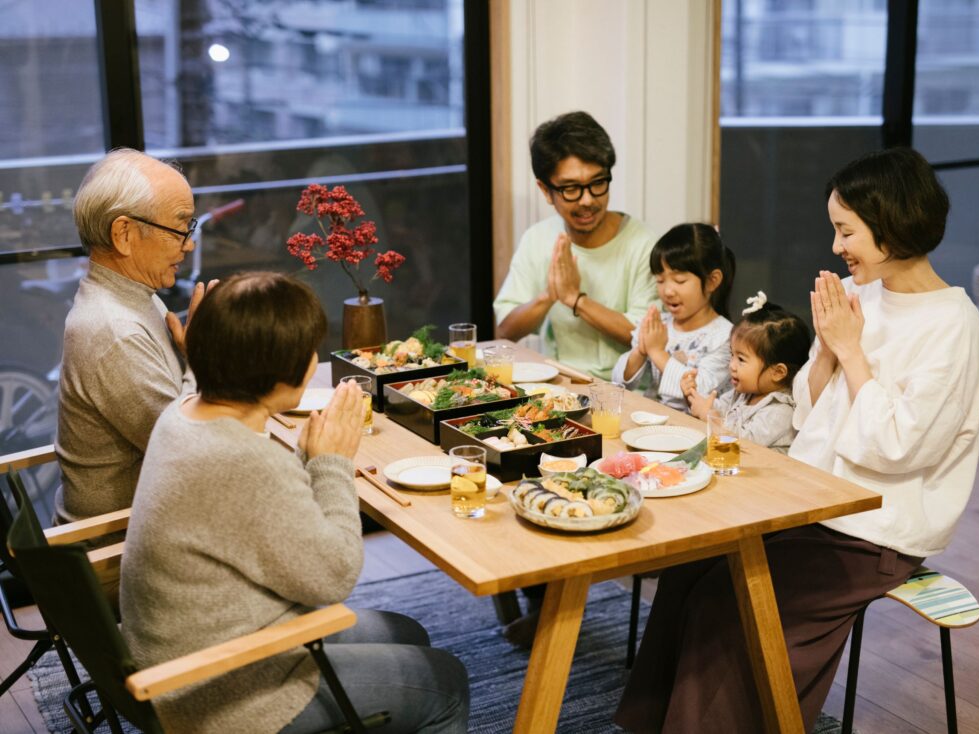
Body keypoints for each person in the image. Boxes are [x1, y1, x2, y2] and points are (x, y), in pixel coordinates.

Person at [615, 147, 979, 733]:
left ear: (891, 225)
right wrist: (831, 353)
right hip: (812, 498)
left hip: (875, 528)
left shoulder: (953, 325)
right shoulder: (855, 294)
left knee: (728, 604)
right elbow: (809, 414)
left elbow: (897, 447)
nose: (837, 246)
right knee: (689, 568)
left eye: (847, 231)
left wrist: (849, 350)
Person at [119, 272, 469, 734]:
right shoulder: (245, 461)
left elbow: (261, 517)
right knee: (445, 682)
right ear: (280, 372)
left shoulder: (183, 412)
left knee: (406, 634)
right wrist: (331, 463)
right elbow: (333, 577)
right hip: (221, 690)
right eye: (309, 351)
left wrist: (308, 459)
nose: (313, 360)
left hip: (182, 650)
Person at [55, 148, 217, 522]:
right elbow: (189, 454)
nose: (189, 244)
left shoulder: (128, 297)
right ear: (124, 233)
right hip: (117, 552)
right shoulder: (114, 332)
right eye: (180, 228)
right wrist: (201, 360)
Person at [493, 111, 658, 381]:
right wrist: (549, 295)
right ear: (546, 191)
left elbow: (644, 335)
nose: (587, 200)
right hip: (556, 384)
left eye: (597, 183)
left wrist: (576, 299)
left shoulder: (643, 244)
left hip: (624, 392)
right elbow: (507, 329)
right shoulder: (538, 238)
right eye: (571, 189)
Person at [611, 223, 735, 411]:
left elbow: (700, 392)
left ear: (712, 281)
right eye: (660, 280)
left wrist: (657, 352)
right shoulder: (660, 324)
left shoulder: (726, 337)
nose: (667, 291)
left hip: (695, 432)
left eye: (680, 281)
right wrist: (641, 351)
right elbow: (621, 383)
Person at [682, 292, 811, 453]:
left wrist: (708, 415)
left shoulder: (781, 411)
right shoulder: (744, 393)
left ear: (778, 372)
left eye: (741, 359)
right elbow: (716, 407)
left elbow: (743, 443)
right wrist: (693, 396)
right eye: (732, 355)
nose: (732, 365)